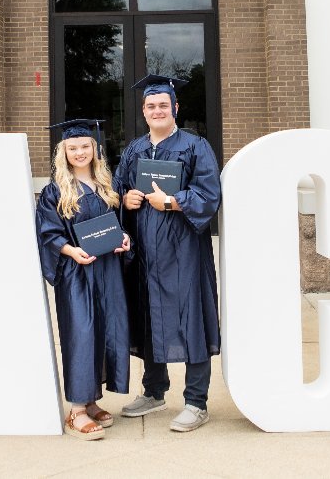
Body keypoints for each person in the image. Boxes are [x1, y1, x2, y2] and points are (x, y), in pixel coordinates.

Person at [112, 74, 222, 432]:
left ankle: (196, 402)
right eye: (151, 106)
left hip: (183, 251)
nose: (157, 110)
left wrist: (173, 201)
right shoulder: (134, 150)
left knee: (192, 318)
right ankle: (154, 391)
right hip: (145, 252)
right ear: (144, 111)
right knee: (148, 317)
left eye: (163, 105)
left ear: (176, 108)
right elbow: (116, 189)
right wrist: (126, 199)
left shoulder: (195, 146)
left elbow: (210, 194)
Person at [36, 119, 134, 441]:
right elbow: (48, 233)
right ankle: (76, 410)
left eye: (85, 146)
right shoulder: (55, 191)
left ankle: (91, 401)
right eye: (72, 148)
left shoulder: (107, 186)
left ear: (95, 149)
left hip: (107, 271)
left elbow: (119, 224)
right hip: (77, 272)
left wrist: (124, 239)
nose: (79, 152)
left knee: (105, 331)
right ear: (63, 152)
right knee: (81, 333)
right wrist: (71, 251)